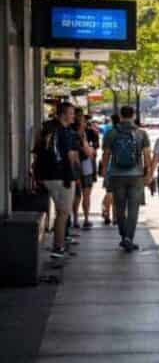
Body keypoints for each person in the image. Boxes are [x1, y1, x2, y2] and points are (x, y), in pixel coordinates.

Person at [101, 106, 152, 251]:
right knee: (133, 208)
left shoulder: (111, 133)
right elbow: (147, 156)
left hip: (116, 175)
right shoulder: (141, 133)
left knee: (119, 207)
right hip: (136, 175)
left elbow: (106, 154)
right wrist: (148, 175)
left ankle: (123, 237)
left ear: (120, 116)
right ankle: (129, 237)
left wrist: (105, 172)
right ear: (134, 115)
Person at [33, 102, 80, 261]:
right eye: (71, 113)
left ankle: (59, 244)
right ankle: (58, 247)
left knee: (60, 211)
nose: (74, 116)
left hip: (46, 176)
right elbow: (71, 156)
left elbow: (36, 150)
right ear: (63, 115)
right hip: (63, 177)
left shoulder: (47, 128)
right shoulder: (66, 132)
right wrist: (75, 172)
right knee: (63, 213)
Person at [71, 112, 100, 230]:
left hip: (80, 166)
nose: (85, 123)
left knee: (78, 195)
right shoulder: (79, 135)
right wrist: (90, 148)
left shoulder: (87, 133)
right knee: (83, 195)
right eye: (83, 121)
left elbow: (94, 148)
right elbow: (91, 152)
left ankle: (77, 219)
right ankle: (84, 219)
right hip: (84, 166)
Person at [100, 113, 119, 225]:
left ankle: (106, 212)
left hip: (110, 167)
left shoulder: (109, 131)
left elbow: (105, 152)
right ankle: (115, 217)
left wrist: (104, 167)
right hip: (122, 169)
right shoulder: (126, 132)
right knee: (117, 194)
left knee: (109, 192)